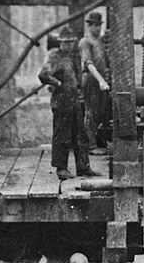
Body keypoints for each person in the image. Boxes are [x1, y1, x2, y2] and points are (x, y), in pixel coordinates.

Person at [38, 26, 102, 180]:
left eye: (71, 42)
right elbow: (43, 75)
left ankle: (83, 167)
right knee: (62, 136)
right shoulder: (55, 57)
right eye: (66, 43)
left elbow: (75, 77)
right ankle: (61, 169)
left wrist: (78, 92)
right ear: (60, 43)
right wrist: (57, 83)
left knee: (81, 135)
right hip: (61, 103)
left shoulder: (71, 57)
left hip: (74, 101)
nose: (69, 45)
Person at [79, 12, 111, 155]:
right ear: (89, 26)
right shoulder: (85, 42)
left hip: (101, 81)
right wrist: (101, 80)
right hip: (92, 80)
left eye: (99, 25)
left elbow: (105, 61)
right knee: (91, 112)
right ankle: (90, 146)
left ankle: (99, 140)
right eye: (95, 25)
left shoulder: (99, 42)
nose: (98, 28)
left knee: (101, 112)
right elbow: (89, 65)